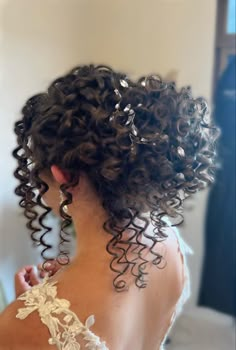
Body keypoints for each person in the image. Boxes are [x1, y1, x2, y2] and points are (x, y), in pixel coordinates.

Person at [0, 65, 218, 350]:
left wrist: (27, 315)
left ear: (62, 175)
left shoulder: (23, 323)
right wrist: (42, 303)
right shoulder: (167, 239)